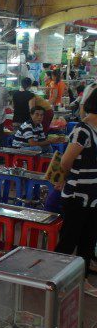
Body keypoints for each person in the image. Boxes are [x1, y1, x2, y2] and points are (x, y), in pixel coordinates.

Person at [55, 89, 97, 297]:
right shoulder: (83, 130)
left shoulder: (95, 130)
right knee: (69, 239)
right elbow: (65, 161)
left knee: (88, 239)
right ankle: (55, 279)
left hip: (93, 196)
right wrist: (66, 177)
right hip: (77, 195)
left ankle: (82, 280)